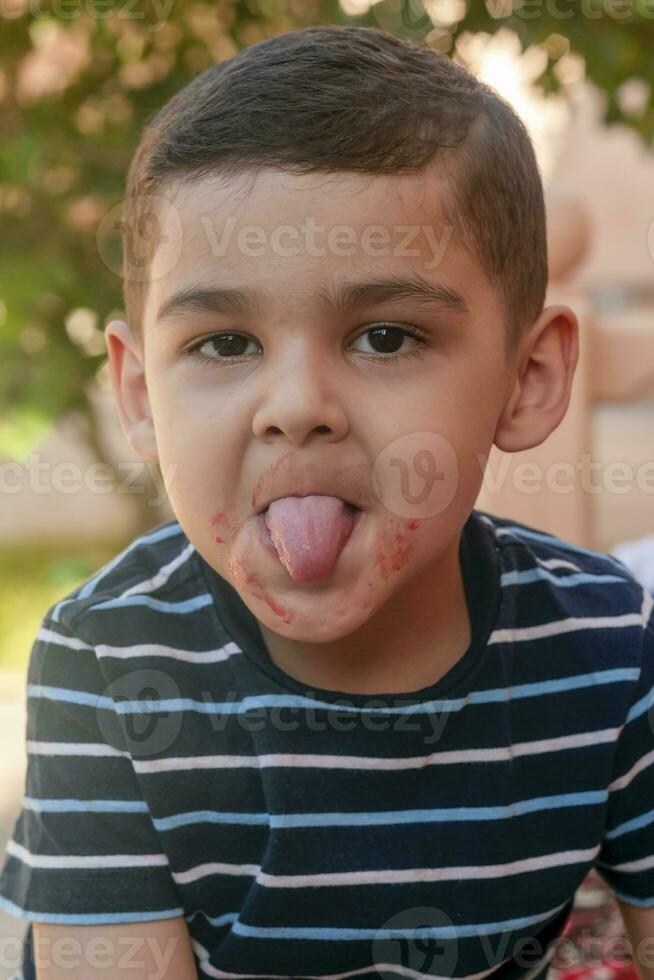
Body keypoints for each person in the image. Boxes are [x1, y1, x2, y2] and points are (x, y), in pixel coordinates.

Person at [1, 24, 653, 980]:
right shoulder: (111, 666)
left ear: (526, 379)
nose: (298, 408)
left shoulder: (606, 648)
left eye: (386, 336)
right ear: (141, 395)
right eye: (224, 344)